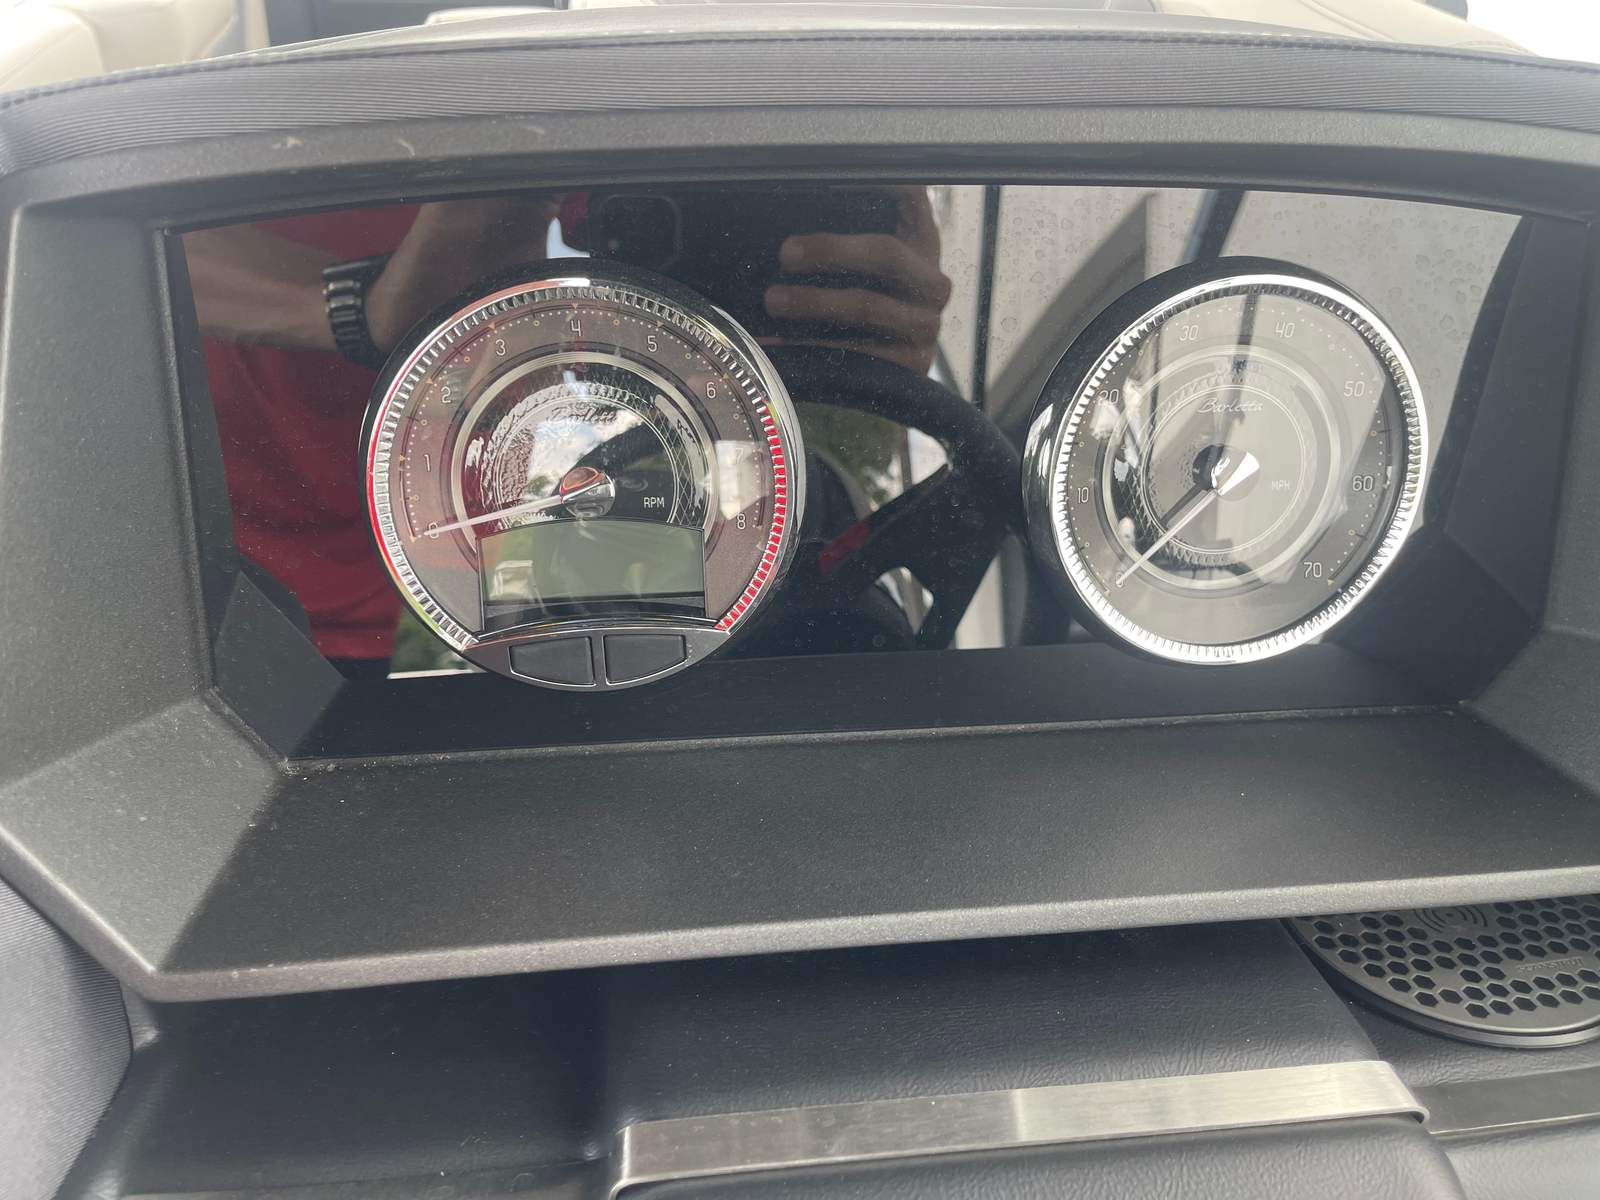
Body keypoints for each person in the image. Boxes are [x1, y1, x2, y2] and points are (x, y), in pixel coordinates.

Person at [186, 187, 951, 671]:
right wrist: (360, 308)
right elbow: (132, 219)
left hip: (391, 563)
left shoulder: (600, 57)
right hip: (197, 564)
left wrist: (862, 291)